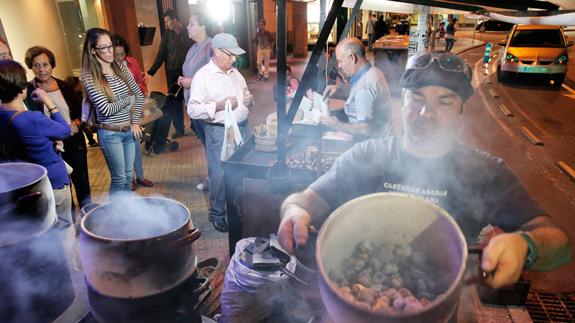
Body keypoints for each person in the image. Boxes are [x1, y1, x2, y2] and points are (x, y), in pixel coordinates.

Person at [277, 51, 572, 290]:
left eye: (444, 101)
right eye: (416, 98)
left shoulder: (486, 172)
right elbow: (303, 200)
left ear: (461, 110)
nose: (426, 113)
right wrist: (294, 212)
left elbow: (560, 244)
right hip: (360, 298)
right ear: (401, 103)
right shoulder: (368, 155)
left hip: (437, 304)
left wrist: (525, 245)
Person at [0, 60, 76, 263]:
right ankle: (71, 278)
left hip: (22, 189)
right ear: (23, 89)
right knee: (64, 232)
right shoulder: (32, 119)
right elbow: (65, 130)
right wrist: (48, 101)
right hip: (52, 184)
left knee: (39, 237)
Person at [187, 33, 254, 232]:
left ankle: (238, 207)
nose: (234, 59)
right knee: (219, 173)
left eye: (235, 55)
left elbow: (245, 96)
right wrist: (218, 105)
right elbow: (192, 109)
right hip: (219, 131)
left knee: (241, 169)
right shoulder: (203, 76)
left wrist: (249, 101)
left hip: (241, 127)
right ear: (215, 52)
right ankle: (216, 213)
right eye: (230, 54)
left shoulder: (235, 73)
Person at [24, 46, 92, 208]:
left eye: (45, 65)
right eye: (36, 65)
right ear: (30, 67)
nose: (41, 70)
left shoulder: (65, 86)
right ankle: (71, 223)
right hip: (49, 146)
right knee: (61, 187)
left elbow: (80, 113)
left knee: (82, 182)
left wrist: (76, 123)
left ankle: (88, 217)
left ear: (52, 65)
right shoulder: (27, 91)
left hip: (73, 141)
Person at [80, 28, 144, 196]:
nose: (110, 51)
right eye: (104, 48)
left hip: (128, 131)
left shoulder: (121, 67)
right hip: (110, 134)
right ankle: (116, 218)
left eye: (110, 46)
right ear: (93, 50)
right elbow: (106, 110)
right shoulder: (89, 76)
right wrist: (128, 100)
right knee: (119, 178)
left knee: (129, 177)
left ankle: (126, 214)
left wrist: (135, 121)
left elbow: (139, 95)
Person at [322, 37, 392, 141]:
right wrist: (338, 88)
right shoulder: (373, 71)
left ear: (352, 58)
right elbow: (357, 88)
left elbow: (365, 129)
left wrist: (337, 125)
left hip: (371, 146)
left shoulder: (364, 89)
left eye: (340, 61)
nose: (339, 66)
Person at [178, 12, 216, 191]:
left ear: (203, 27)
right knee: (206, 144)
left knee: (212, 146)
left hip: (205, 106)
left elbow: (215, 78)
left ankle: (216, 181)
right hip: (193, 104)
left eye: (191, 23)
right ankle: (213, 179)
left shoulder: (211, 47)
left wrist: (190, 82)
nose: (187, 27)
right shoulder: (193, 48)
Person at [112, 35, 154, 191]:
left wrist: (138, 92)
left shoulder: (132, 62)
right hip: (118, 114)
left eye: (122, 54)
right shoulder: (107, 70)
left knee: (135, 143)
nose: (119, 58)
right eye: (116, 55)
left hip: (134, 109)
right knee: (125, 148)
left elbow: (141, 85)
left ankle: (140, 176)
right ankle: (130, 179)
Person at [145, 9, 193, 138]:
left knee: (191, 99)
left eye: (167, 21)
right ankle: (179, 129)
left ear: (175, 20)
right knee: (175, 102)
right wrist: (151, 72)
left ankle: (196, 126)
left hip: (187, 73)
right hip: (172, 74)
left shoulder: (188, 33)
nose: (166, 24)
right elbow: (161, 54)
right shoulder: (167, 35)